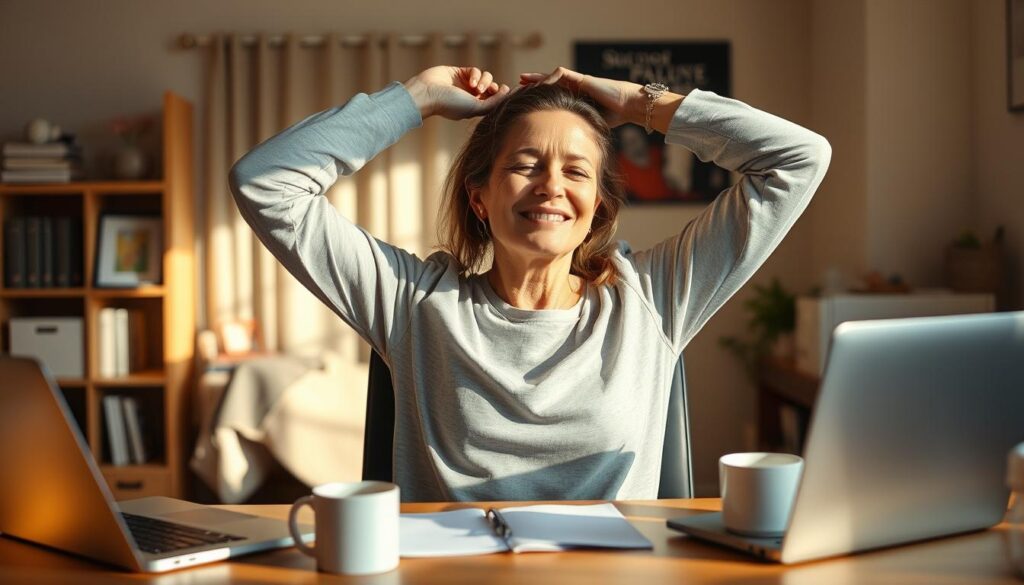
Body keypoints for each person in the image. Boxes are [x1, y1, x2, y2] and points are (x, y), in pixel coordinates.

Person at [229, 65, 831, 502]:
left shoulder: (652, 298)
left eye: (575, 171)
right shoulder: (413, 302)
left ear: (597, 207)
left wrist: (635, 102)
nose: (550, 186)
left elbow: (799, 158)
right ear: (480, 198)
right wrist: (415, 99)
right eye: (524, 165)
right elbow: (265, 182)